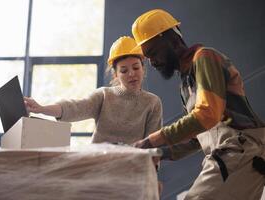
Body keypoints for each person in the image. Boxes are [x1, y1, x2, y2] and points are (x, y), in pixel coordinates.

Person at [132, 9, 265, 200]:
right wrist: (159, 152)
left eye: (153, 53)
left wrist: (151, 140)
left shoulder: (204, 58)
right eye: (148, 57)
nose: (152, 63)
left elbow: (208, 114)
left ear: (171, 39)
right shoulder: (186, 82)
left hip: (241, 151)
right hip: (228, 155)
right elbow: (197, 138)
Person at [24, 36, 163, 145]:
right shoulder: (104, 96)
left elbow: (153, 143)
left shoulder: (152, 103)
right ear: (116, 75)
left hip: (132, 170)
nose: (131, 74)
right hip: (98, 165)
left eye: (136, 68)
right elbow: (74, 108)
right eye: (124, 70)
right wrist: (41, 108)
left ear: (143, 69)